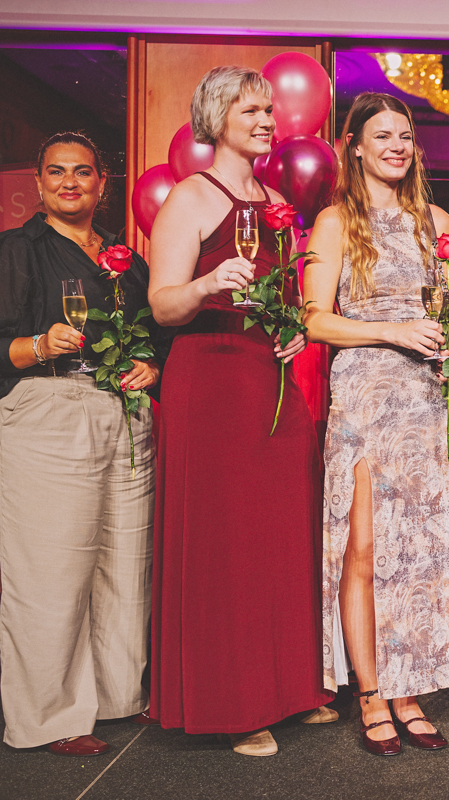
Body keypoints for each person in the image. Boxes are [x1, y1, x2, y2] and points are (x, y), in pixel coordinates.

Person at [147, 65, 335, 756]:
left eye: (268, 110)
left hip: (269, 379)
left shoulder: (277, 200)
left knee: (279, 535)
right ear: (216, 117)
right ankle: (233, 702)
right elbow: (161, 304)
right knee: (225, 543)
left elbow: (285, 298)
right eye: (250, 110)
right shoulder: (192, 196)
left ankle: (288, 689)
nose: (265, 121)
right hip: (211, 380)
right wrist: (204, 285)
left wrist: (293, 331)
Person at [304, 92, 449, 755]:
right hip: (368, 395)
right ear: (356, 147)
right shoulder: (336, 221)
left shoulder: (438, 221)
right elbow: (314, 319)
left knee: (418, 550)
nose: (397, 146)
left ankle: (407, 688)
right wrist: (393, 331)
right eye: (382, 136)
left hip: (426, 398)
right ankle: (370, 691)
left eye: (405, 135)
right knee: (366, 549)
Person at [0, 132, 164, 755]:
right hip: (48, 408)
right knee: (50, 571)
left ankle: (118, 696)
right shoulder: (17, 251)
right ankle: (48, 717)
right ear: (39, 183)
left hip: (123, 413)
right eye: (56, 172)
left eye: (83, 172)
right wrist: (39, 346)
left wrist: (151, 366)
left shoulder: (126, 259)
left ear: (102, 183)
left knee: (125, 565)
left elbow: (155, 336)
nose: (70, 182)